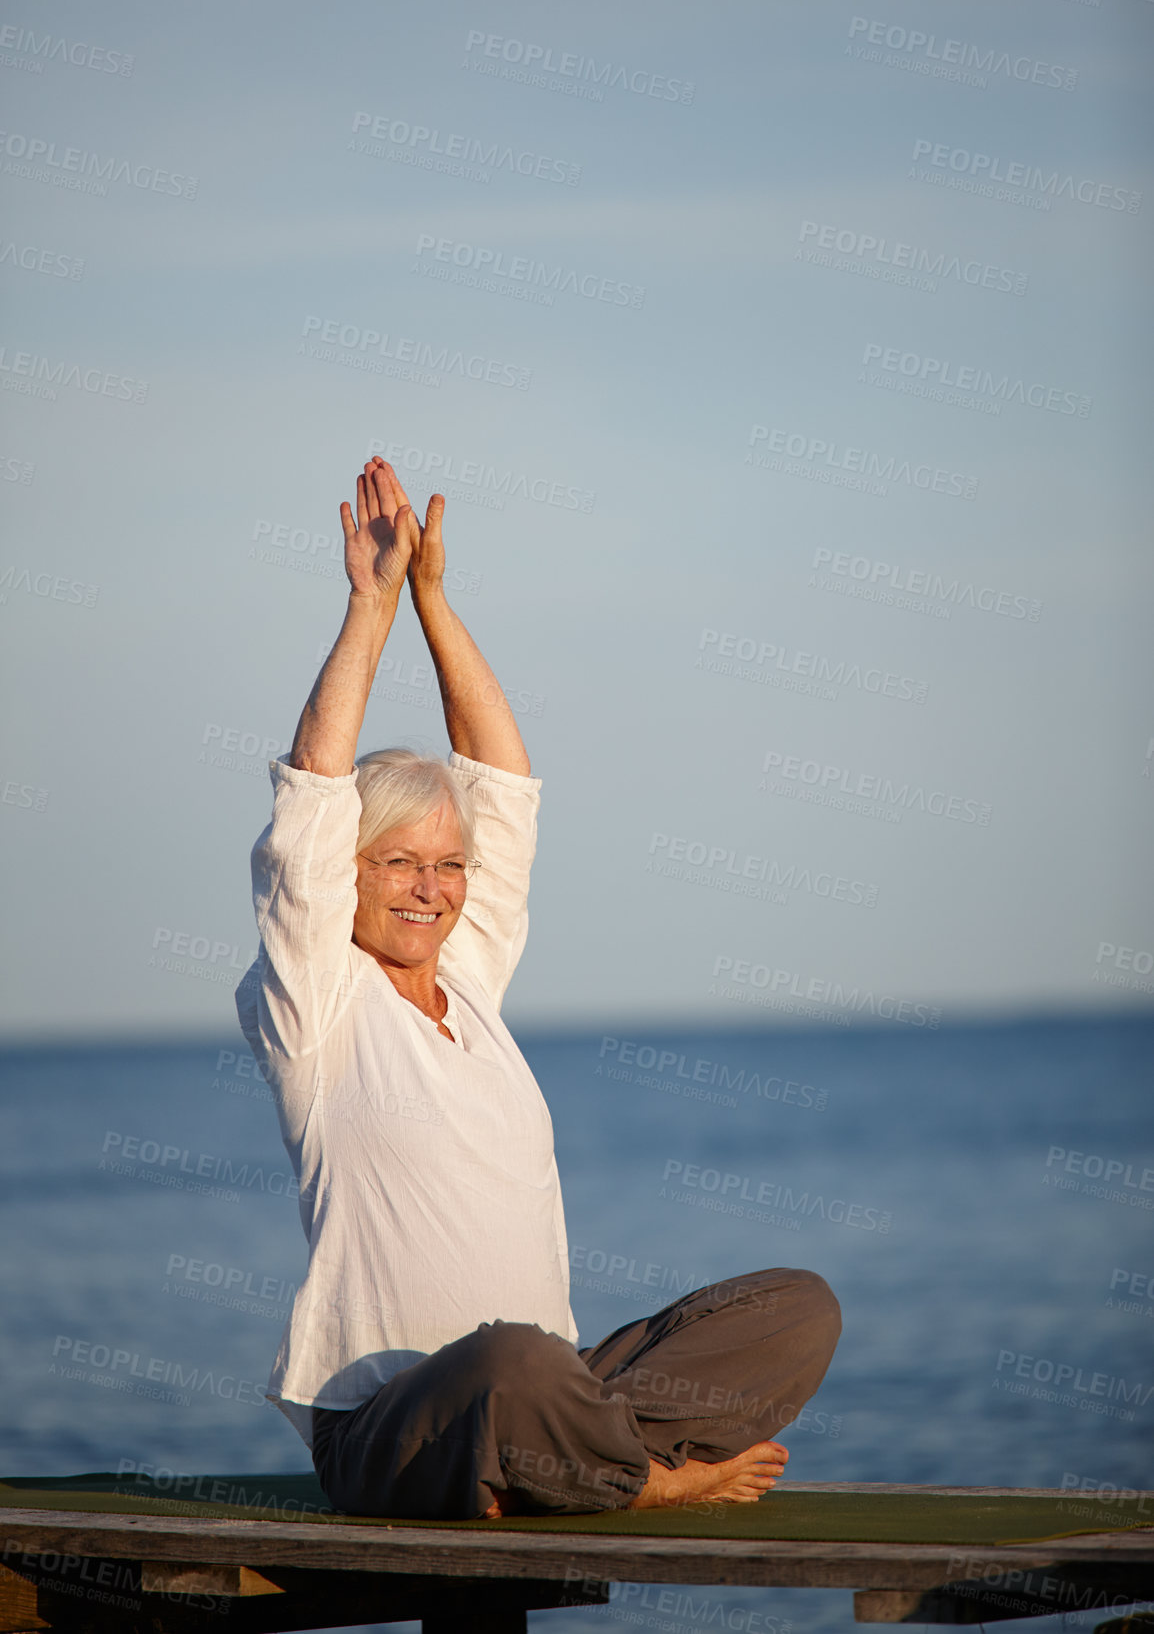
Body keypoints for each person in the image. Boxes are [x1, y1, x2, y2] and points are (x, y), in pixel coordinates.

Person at [234, 458, 841, 1520]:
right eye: (398, 863)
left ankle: (556, 1462)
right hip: (396, 1423)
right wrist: (369, 611)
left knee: (794, 1308)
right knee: (509, 1361)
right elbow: (310, 810)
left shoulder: (467, 987)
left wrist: (434, 602)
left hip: (548, 1389)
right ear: (350, 873)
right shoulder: (315, 1005)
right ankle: (637, 1482)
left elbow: (503, 785)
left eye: (448, 866)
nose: (431, 888)